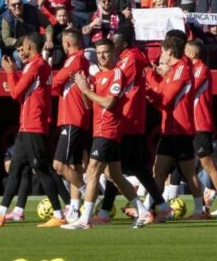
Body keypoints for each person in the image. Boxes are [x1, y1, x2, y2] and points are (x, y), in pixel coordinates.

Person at [0, 33, 67, 228]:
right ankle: (1, 213)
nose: (21, 51)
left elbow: (16, 93)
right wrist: (15, 75)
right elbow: (23, 92)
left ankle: (60, 213)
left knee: (42, 170)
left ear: (30, 46)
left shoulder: (35, 65)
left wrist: (10, 72)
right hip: (27, 126)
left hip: (33, 126)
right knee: (16, 169)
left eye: (23, 47)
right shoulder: (39, 65)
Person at [59, 38, 150, 230]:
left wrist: (86, 89)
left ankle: (85, 220)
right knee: (114, 175)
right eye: (99, 53)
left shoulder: (117, 73)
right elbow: (88, 105)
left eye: (105, 52)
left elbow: (109, 102)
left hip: (108, 129)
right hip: (100, 129)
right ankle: (142, 211)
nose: (101, 56)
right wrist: (82, 88)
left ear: (113, 53)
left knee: (92, 171)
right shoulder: (98, 76)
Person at [98, 28, 167, 224]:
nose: (112, 46)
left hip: (127, 119)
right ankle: (163, 206)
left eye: (115, 42)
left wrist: (101, 75)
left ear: (125, 44)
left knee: (114, 168)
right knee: (135, 167)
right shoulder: (131, 58)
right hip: (131, 119)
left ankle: (107, 212)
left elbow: (117, 80)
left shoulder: (130, 59)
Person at [145, 35, 205, 221]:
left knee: (188, 173)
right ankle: (149, 210)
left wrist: (148, 78)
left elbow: (165, 99)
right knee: (159, 172)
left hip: (180, 131)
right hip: (170, 129)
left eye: (162, 51)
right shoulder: (174, 71)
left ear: (170, 51)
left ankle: (199, 210)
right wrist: (150, 86)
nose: (160, 55)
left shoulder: (181, 70)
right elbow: (161, 95)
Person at [186, 39, 217, 216]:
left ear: (192, 53)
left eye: (185, 51)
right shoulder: (190, 69)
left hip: (201, 124)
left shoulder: (202, 69)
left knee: (208, 165)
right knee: (184, 166)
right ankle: (206, 196)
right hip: (191, 124)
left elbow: (189, 89)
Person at [50, 28, 90, 222]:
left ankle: (89, 193)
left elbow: (56, 81)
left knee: (59, 165)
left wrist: (58, 82)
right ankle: (74, 208)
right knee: (75, 165)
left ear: (67, 43)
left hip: (73, 117)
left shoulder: (76, 59)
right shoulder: (76, 60)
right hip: (73, 117)